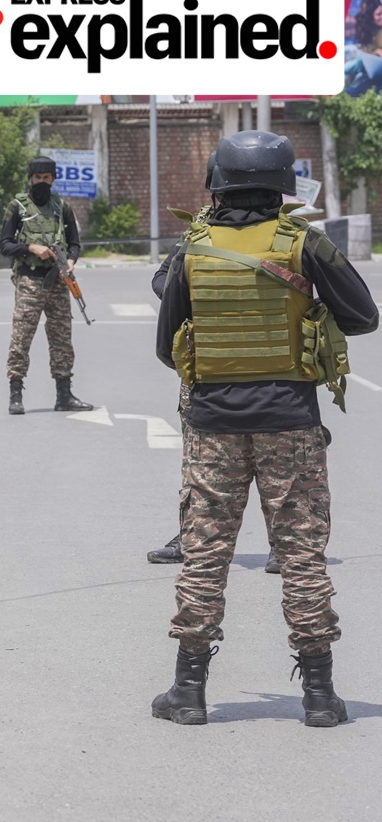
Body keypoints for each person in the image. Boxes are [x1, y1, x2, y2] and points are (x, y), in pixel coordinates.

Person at [150, 130, 377, 728]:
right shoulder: (307, 243)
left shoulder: (190, 249)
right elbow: (363, 317)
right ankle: (322, 697)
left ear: (216, 182)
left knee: (203, 555)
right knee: (302, 555)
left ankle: (189, 692)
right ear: (284, 185)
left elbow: (165, 347)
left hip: (213, 425)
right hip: (291, 423)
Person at [146, 154, 283, 574]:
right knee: (201, 463)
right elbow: (162, 281)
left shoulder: (289, 235)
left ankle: (284, 545)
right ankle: (192, 536)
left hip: (270, 362)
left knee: (279, 466)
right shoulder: (199, 233)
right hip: (212, 362)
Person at [0, 156, 93, 415]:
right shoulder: (17, 207)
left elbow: (74, 242)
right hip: (30, 280)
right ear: (31, 178)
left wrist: (71, 261)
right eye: (37, 178)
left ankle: (64, 394)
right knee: (21, 337)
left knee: (62, 338)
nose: (42, 182)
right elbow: (4, 244)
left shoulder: (62, 207)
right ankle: (15, 395)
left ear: (53, 178)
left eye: (46, 178)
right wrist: (30, 247)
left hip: (58, 281)